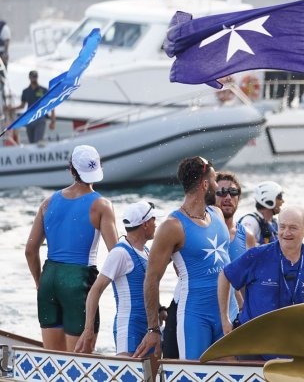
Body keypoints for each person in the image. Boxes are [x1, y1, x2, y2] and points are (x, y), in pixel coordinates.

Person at [133, 156, 231, 360]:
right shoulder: (172, 226)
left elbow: (229, 268)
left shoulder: (217, 214)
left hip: (226, 312)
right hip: (195, 317)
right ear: (204, 184)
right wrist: (153, 329)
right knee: (194, 375)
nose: (217, 186)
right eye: (214, 181)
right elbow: (151, 278)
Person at [24, 144, 118, 351]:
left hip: (49, 279)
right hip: (78, 281)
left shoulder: (47, 203)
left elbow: (30, 250)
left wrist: (40, 283)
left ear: (71, 169)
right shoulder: (101, 205)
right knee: (80, 362)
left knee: (53, 358)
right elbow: (117, 254)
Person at [217, 206, 304, 348]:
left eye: (293, 228)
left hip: (297, 349)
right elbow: (225, 275)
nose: (286, 233)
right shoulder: (257, 255)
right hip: (253, 349)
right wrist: (225, 319)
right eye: (282, 227)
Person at [74, 200, 165, 355]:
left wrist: (160, 309)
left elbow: (148, 287)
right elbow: (95, 290)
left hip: (150, 327)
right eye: (153, 220)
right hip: (129, 328)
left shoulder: (147, 252)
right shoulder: (120, 253)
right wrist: (88, 329)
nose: (156, 224)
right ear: (145, 224)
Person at [7, 70, 56, 143]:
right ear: (29, 78)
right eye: (32, 77)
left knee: (37, 142)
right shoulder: (26, 91)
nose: (34, 78)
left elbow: (51, 104)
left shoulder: (43, 90)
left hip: (40, 118)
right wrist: (11, 108)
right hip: (29, 119)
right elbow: (22, 106)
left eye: (35, 76)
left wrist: (53, 121)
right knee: (31, 142)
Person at [239, 180, 283, 247]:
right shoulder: (251, 220)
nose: (282, 201)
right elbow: (241, 241)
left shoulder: (275, 223)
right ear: (269, 200)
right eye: (280, 198)